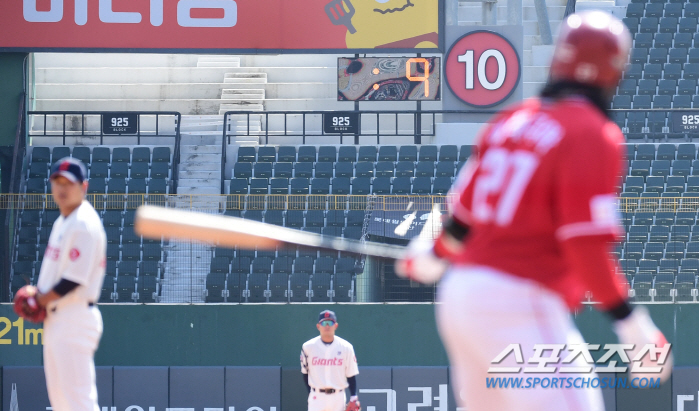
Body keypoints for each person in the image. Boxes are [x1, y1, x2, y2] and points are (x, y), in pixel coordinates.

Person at [396, 10, 673, 411]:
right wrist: (633, 325)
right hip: (519, 301)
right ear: (615, 72)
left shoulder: (510, 120)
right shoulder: (592, 133)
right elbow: (585, 245)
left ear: (558, 59)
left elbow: (463, 216)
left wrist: (435, 257)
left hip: (461, 298)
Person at [14, 157, 107, 411]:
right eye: (57, 182)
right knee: (62, 403)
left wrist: (37, 299)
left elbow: (73, 281)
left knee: (79, 402)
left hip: (74, 317)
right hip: (59, 318)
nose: (62, 188)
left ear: (84, 187)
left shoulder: (84, 223)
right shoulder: (64, 220)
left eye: (69, 183)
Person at [301, 310, 360, 411]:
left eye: (330, 323)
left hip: (338, 397)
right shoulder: (308, 347)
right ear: (318, 326)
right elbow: (305, 373)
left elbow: (351, 374)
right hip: (317, 397)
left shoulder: (346, 347)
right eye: (324, 323)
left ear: (336, 326)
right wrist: (311, 393)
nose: (327, 326)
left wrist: (354, 396)